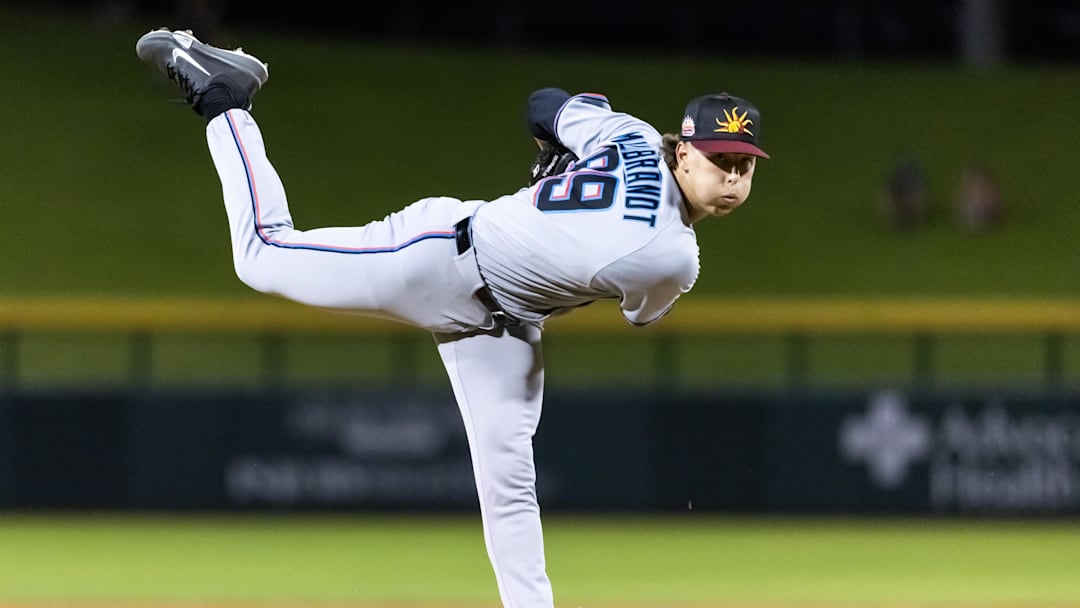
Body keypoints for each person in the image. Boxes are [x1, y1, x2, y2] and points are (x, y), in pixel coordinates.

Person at [135, 27, 769, 608]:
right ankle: (224, 95)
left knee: (509, 487)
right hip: (441, 259)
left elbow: (545, 102)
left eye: (743, 166)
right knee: (262, 254)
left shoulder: (628, 134)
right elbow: (640, 317)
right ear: (684, 153)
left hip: (507, 325)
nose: (733, 180)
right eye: (719, 161)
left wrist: (563, 148)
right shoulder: (670, 257)